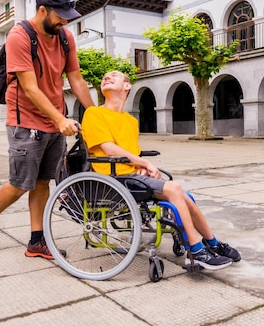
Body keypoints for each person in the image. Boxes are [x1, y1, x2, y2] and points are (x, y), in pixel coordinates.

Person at [0, 0, 94, 259]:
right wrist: (60, 118)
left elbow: (75, 78)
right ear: (43, 10)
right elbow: (29, 87)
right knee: (20, 183)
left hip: (54, 121)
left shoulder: (64, 37)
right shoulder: (20, 36)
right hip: (25, 121)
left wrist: (96, 114)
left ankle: (36, 241)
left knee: (43, 181)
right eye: (60, 16)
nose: (65, 21)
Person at [81, 70, 241, 270]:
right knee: (174, 188)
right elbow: (109, 149)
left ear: (127, 86)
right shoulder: (94, 113)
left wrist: (142, 168)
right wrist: (145, 164)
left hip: (129, 176)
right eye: (104, 76)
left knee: (186, 197)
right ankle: (197, 250)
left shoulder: (130, 121)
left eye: (114, 75)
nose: (106, 77)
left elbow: (131, 153)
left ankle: (214, 243)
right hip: (110, 178)